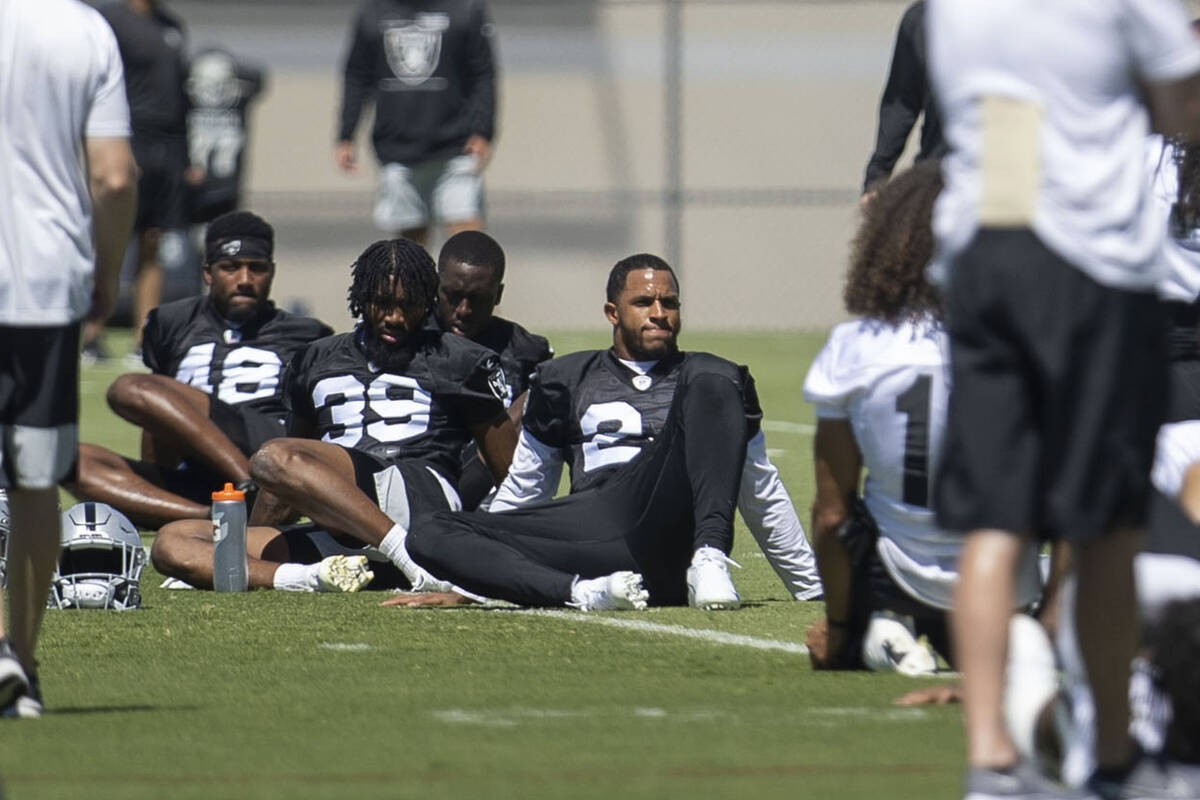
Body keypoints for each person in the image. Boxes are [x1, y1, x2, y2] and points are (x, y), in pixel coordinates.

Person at [924, 0, 1200, 796]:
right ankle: (1113, 756)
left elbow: (1006, 116)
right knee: (1108, 526)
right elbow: (1181, 102)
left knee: (993, 526)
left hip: (987, 257)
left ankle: (989, 758)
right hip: (1097, 271)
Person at [385, 253, 820, 611]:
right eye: (644, 302)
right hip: (593, 527)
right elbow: (525, 492)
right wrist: (475, 581)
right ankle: (581, 593)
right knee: (429, 531)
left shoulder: (711, 382)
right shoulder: (565, 378)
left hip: (672, 533)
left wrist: (813, 591)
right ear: (612, 312)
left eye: (669, 303)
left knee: (714, 374)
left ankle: (710, 559)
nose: (659, 314)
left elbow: (760, 490)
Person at [150, 238, 517, 592]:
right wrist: (243, 547)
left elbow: (512, 471)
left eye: (408, 306)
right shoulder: (316, 359)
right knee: (174, 542)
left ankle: (409, 560)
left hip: (419, 502)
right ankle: (312, 579)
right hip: (343, 525)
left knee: (274, 456)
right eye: (382, 303)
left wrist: (516, 546)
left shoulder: (459, 358)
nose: (394, 317)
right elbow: (290, 477)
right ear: (360, 299)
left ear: (428, 302)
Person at [803, 161, 1042, 676]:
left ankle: (881, 626)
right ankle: (1033, 632)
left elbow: (831, 515)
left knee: (856, 510)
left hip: (897, 574)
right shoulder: (1029, 343)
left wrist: (838, 632)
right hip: (1002, 579)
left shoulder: (855, 346)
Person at [0, 0, 138, 717]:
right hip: (44, 285)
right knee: (33, 481)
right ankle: (17, 660)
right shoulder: (85, 31)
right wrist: (107, 274)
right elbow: (114, 177)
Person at [68, 211, 333, 529]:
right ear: (207, 272)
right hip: (198, 467)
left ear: (272, 272)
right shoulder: (171, 322)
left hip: (268, 447)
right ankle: (219, 515)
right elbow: (154, 416)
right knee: (68, 462)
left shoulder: (308, 333)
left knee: (133, 387)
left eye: (257, 268)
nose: (245, 280)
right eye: (230, 268)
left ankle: (249, 484)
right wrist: (156, 476)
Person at [336, 0, 497, 248]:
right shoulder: (373, 11)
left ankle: (466, 289)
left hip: (455, 146)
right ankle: (422, 288)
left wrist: (483, 130)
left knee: (467, 243)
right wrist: (346, 134)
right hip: (398, 147)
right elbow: (357, 74)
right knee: (413, 253)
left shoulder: (465, 8)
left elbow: (483, 72)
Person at [96, 0, 198, 362]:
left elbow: (181, 96)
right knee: (108, 241)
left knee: (153, 241)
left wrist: (187, 158)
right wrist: (112, 147)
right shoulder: (108, 21)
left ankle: (144, 340)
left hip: (167, 148)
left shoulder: (172, 25)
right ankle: (91, 334)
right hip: (126, 138)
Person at [431, 230, 553, 509]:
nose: (463, 310)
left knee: (537, 394)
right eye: (453, 296)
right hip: (422, 476)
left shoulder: (526, 351)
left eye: (477, 299)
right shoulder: (413, 339)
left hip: (494, 489)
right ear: (436, 287)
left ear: (498, 294)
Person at [860, 1, 945, 204]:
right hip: (939, 181)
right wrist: (877, 176)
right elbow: (901, 103)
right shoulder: (923, 19)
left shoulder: (1025, 19)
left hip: (1014, 182)